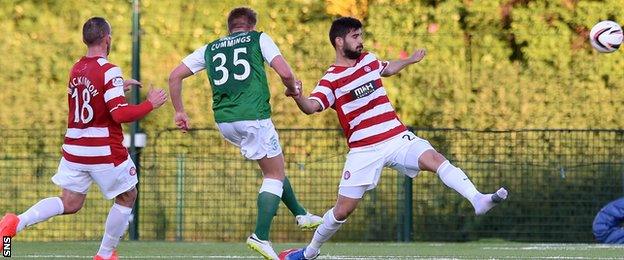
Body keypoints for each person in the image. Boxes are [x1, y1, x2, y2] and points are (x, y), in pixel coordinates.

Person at [280, 17, 508, 260]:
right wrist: (297, 95)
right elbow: (312, 106)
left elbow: (387, 68)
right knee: (342, 211)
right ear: (339, 41)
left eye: (361, 35)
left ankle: (477, 198)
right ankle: (310, 252)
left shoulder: (368, 59)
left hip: (396, 137)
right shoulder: (331, 79)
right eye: (355, 37)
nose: (361, 41)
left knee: (434, 158)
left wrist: (409, 60)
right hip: (363, 150)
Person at [0, 17, 168, 260]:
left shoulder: (77, 67)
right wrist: (150, 104)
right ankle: (105, 254)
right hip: (103, 151)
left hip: (75, 149)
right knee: (128, 195)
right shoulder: (109, 70)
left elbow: (93, 100)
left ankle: (14, 223)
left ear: (84, 39)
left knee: (70, 203)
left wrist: (118, 87)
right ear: (107, 39)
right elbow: (119, 114)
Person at [168, 7, 322, 260]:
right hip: (253, 117)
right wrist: (293, 88)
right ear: (251, 25)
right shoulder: (258, 38)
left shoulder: (211, 47)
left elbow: (174, 76)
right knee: (274, 174)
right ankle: (260, 236)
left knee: (274, 166)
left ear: (230, 27)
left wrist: (179, 112)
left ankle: (301, 214)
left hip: (225, 121)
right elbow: (284, 72)